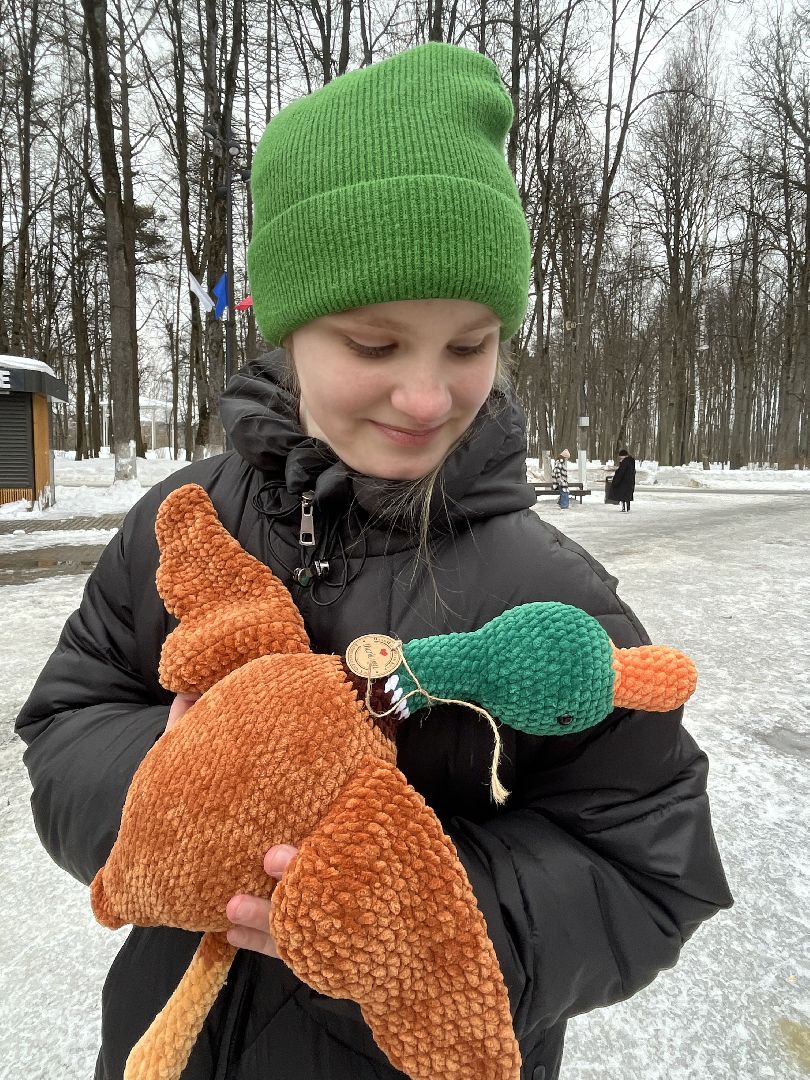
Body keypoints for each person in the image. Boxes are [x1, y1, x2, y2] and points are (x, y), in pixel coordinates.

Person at [15, 42, 731, 1080]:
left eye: (470, 342)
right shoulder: (181, 523)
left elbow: (652, 865)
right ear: (289, 323)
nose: (429, 396)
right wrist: (175, 793)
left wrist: (415, 924)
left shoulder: (548, 590)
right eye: (376, 345)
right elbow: (65, 719)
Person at [611, 448, 637, 512]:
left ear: (623, 455)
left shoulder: (625, 462)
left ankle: (624, 508)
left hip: (624, 481)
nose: (620, 458)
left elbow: (621, 472)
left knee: (622, 495)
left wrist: (616, 481)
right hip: (630, 481)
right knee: (628, 495)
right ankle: (628, 507)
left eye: (621, 457)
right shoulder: (632, 461)